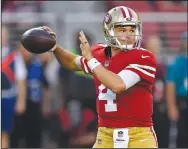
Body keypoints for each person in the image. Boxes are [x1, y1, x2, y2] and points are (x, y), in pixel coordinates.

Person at [41, 6, 158, 148]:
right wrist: (56, 48)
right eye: (123, 30)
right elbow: (72, 62)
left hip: (138, 136)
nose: (129, 35)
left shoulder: (144, 57)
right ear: (109, 31)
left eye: (132, 30)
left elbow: (118, 85)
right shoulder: (98, 54)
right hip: (105, 135)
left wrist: (91, 60)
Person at [10, 46, 51, 148]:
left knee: (34, 138)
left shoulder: (37, 66)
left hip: (35, 106)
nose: (25, 53)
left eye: (27, 50)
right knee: (15, 138)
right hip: (17, 108)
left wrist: (46, 107)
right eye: (22, 50)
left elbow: (45, 87)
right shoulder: (13, 66)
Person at [1, 25, 27, 148]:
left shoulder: (14, 56)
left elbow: (21, 80)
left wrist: (21, 101)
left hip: (7, 97)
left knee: (5, 132)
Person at [145, 35, 170, 147]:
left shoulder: (162, 65)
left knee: (162, 137)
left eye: (157, 45)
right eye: (154, 45)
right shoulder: (143, 64)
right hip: (147, 107)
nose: (156, 48)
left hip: (160, 107)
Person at [166, 31, 188, 148]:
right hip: (182, 100)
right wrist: (172, 106)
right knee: (182, 134)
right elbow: (170, 84)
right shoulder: (177, 62)